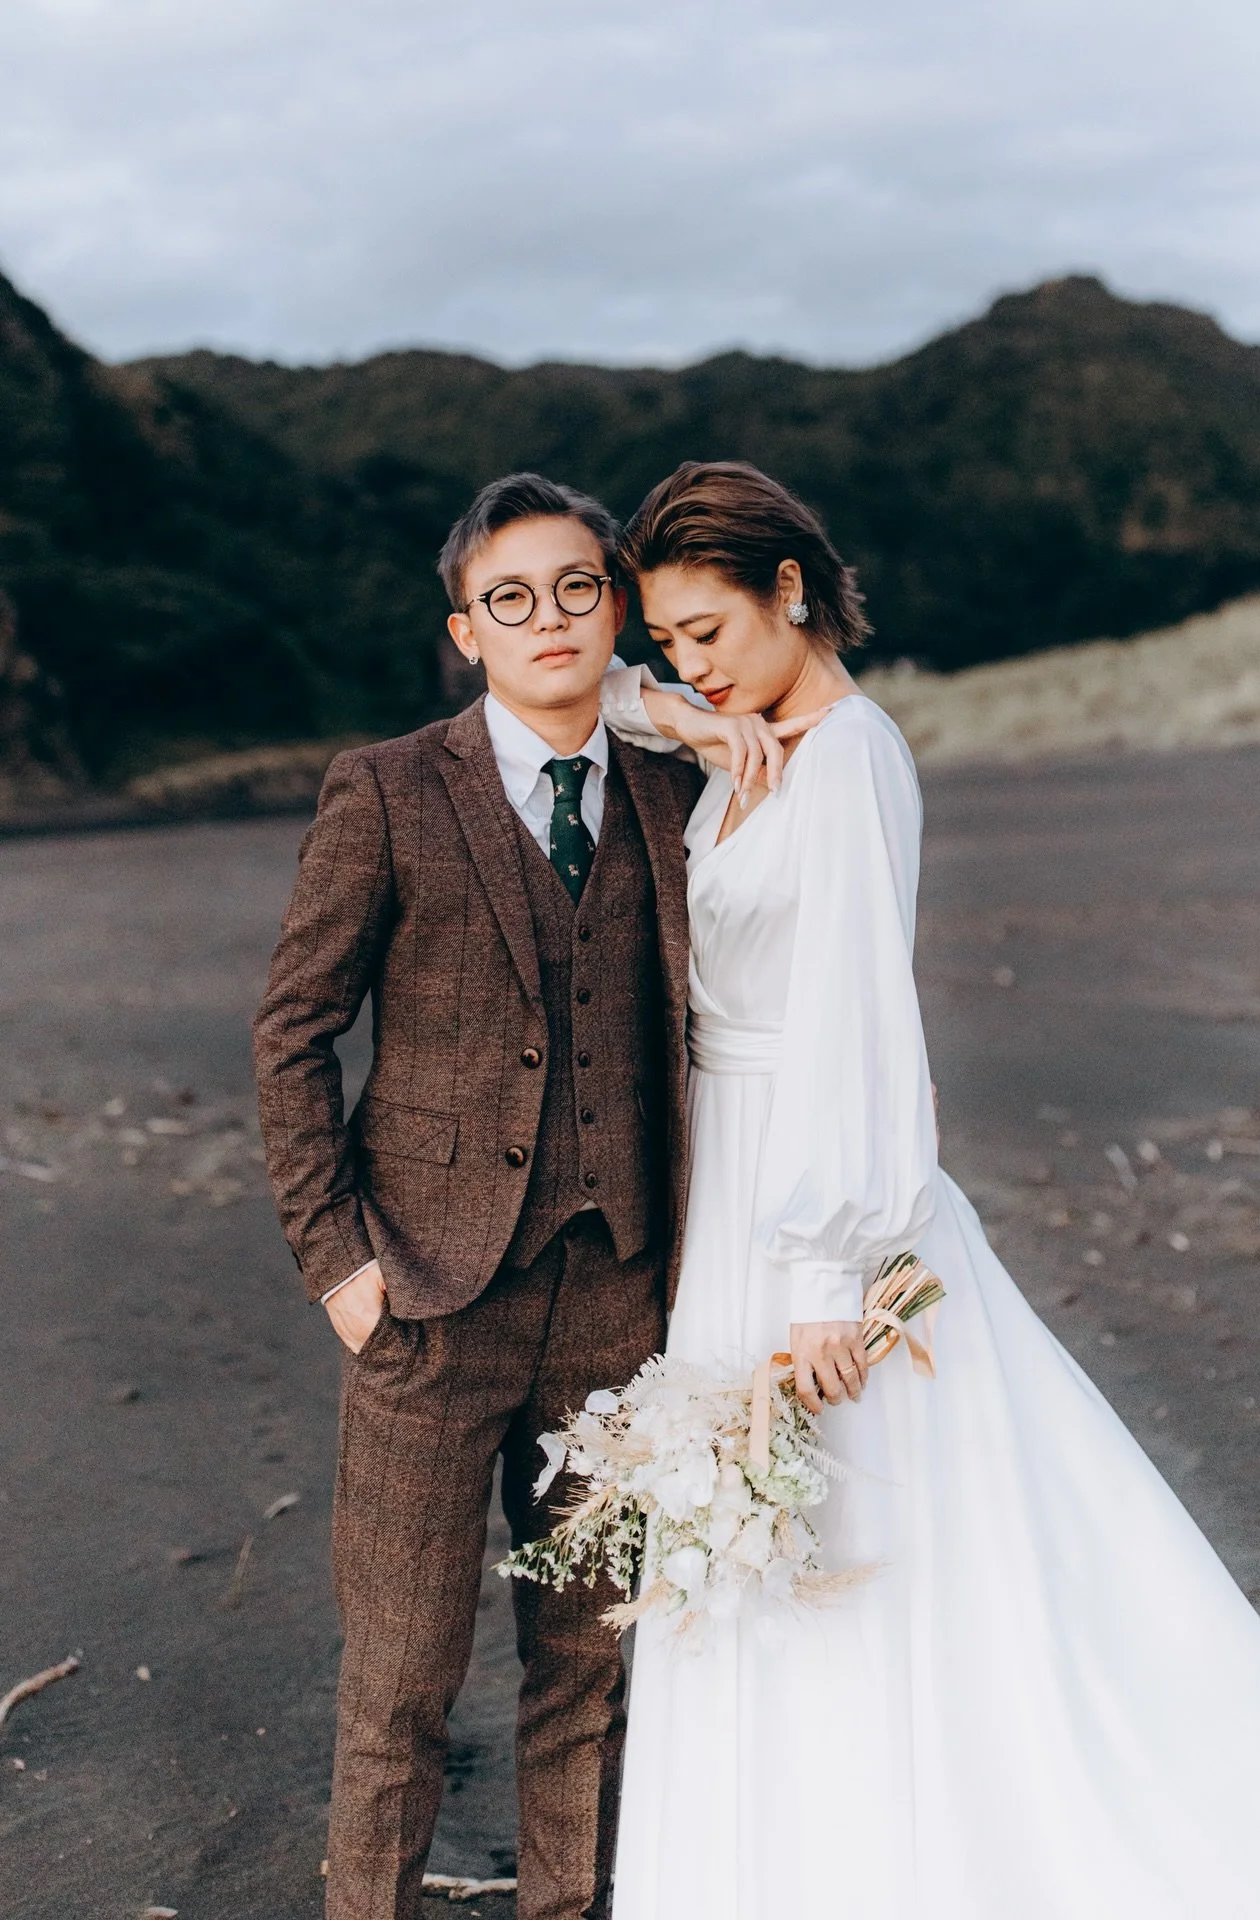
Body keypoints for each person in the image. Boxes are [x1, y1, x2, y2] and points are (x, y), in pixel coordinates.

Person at [590, 460, 1260, 1919]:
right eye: (669, 637)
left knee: (852, 1529)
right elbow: (598, 687)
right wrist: (673, 710)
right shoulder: (739, 727)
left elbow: (863, 1018)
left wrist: (821, 1281)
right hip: (734, 1174)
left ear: (791, 591)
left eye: (708, 632)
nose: (689, 662)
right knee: (776, 1541)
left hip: (808, 1192)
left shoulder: (850, 756)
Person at [251, 472, 794, 1920]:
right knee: (399, 1692)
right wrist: (337, 1265)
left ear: (614, 610)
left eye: (575, 588)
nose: (545, 617)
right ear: (464, 631)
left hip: (620, 1306)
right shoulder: (386, 789)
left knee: (587, 1678)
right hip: (425, 1305)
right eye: (511, 598)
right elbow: (294, 1030)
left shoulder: (678, 788)